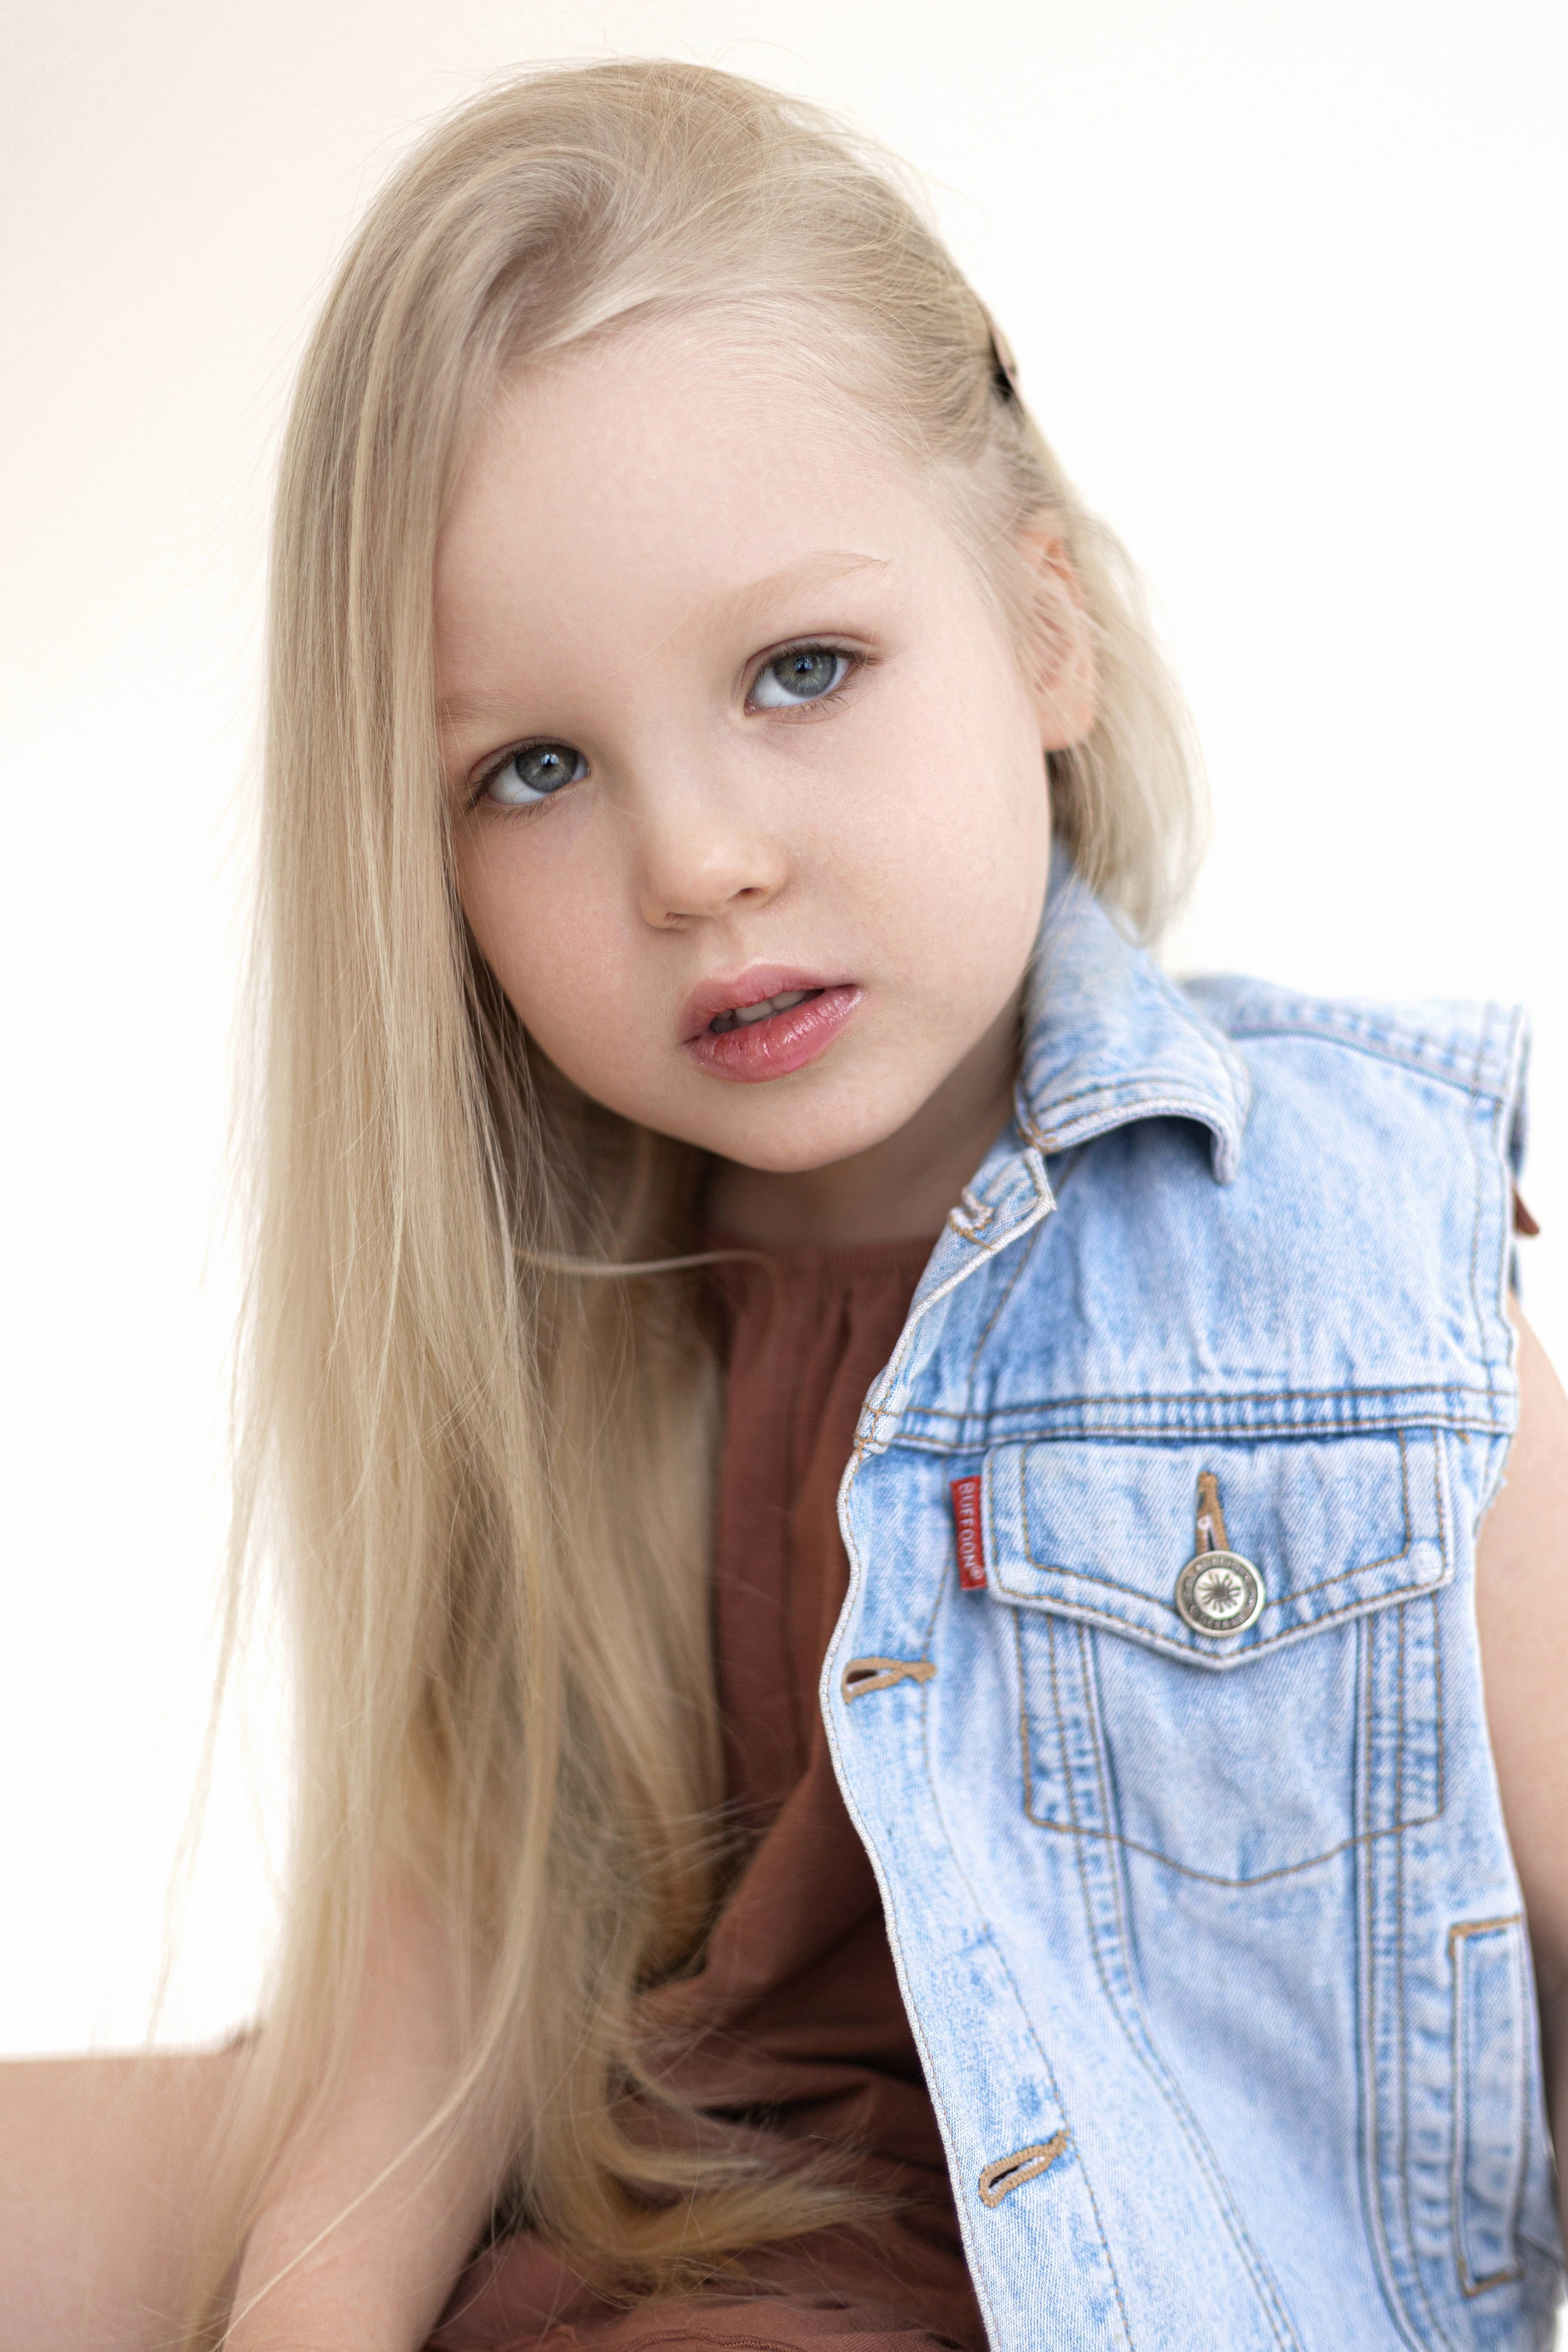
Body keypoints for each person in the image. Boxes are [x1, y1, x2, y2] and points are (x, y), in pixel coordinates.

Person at [2, 56, 1565, 2352]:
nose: (696, 859)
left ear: (1042, 628)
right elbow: (441, 1998)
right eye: (535, 768)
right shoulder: (566, 1293)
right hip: (633, 2165)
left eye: (801, 671)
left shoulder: (1322, 1254)